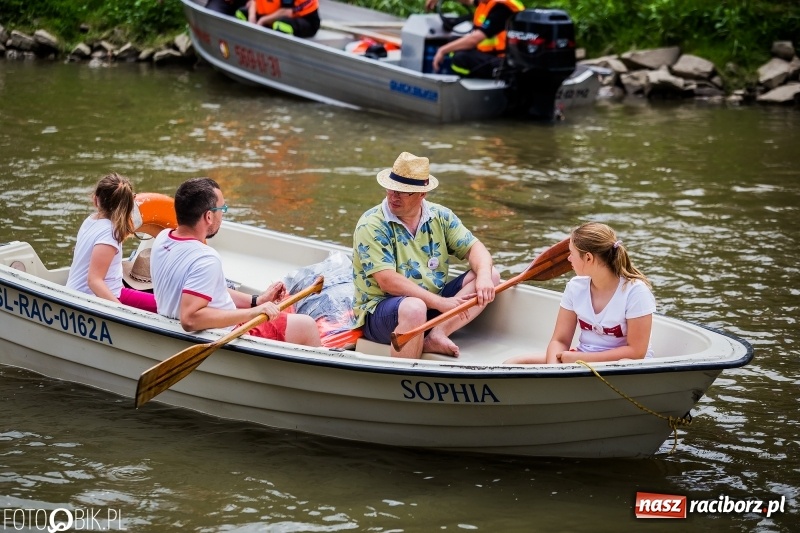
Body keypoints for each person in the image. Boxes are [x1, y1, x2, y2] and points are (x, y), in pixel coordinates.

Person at [352, 152, 501, 359]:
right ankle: (402, 380)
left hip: (432, 303)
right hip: (381, 313)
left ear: (422, 194)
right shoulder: (371, 224)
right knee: (415, 308)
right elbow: (387, 281)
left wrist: (484, 276)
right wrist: (440, 303)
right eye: (391, 189)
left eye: (403, 192)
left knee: (492, 275)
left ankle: (437, 334)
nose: (393, 196)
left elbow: (475, 249)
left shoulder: (441, 216)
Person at [150, 177, 321, 347]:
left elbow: (203, 289)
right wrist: (253, 313)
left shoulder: (163, 238)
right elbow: (190, 319)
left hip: (184, 325)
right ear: (208, 216)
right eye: (222, 208)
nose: (222, 214)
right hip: (226, 332)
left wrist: (256, 301)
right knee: (307, 326)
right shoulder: (206, 258)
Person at [505, 222, 656, 364]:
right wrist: (554, 369)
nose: (568, 259)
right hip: (580, 358)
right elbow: (560, 340)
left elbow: (636, 352)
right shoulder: (575, 287)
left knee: (624, 364)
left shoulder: (636, 292)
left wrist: (581, 358)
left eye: (571, 253)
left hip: (621, 364)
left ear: (588, 258)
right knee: (514, 362)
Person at [66, 173, 157, 313]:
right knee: (166, 304)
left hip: (78, 292)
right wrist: (122, 312)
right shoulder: (109, 233)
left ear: (96, 200)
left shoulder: (91, 220)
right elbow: (94, 281)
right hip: (94, 299)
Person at [428, 0, 524, 78]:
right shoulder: (487, 2)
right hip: (491, 53)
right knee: (453, 41)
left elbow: (474, 40)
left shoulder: (502, 8)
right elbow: (468, 1)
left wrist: (442, 50)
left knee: (460, 58)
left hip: (504, 62)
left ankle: (472, 83)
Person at [248, 0, 320, 38]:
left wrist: (262, 20)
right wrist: (252, 16)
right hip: (277, 15)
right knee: (242, 13)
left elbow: (286, 11)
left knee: (280, 25)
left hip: (307, 20)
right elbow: (253, 2)